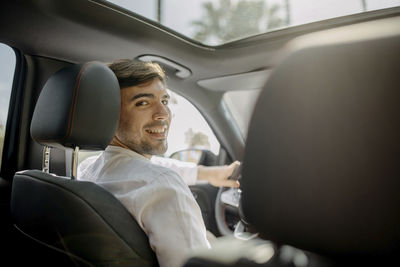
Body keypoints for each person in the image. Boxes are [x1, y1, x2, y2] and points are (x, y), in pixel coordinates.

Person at [78, 59, 240, 267]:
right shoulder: (163, 187)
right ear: (109, 114)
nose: (163, 114)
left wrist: (208, 174)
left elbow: (150, 170)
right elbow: (156, 178)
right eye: (143, 103)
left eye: (164, 101)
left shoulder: (87, 169)